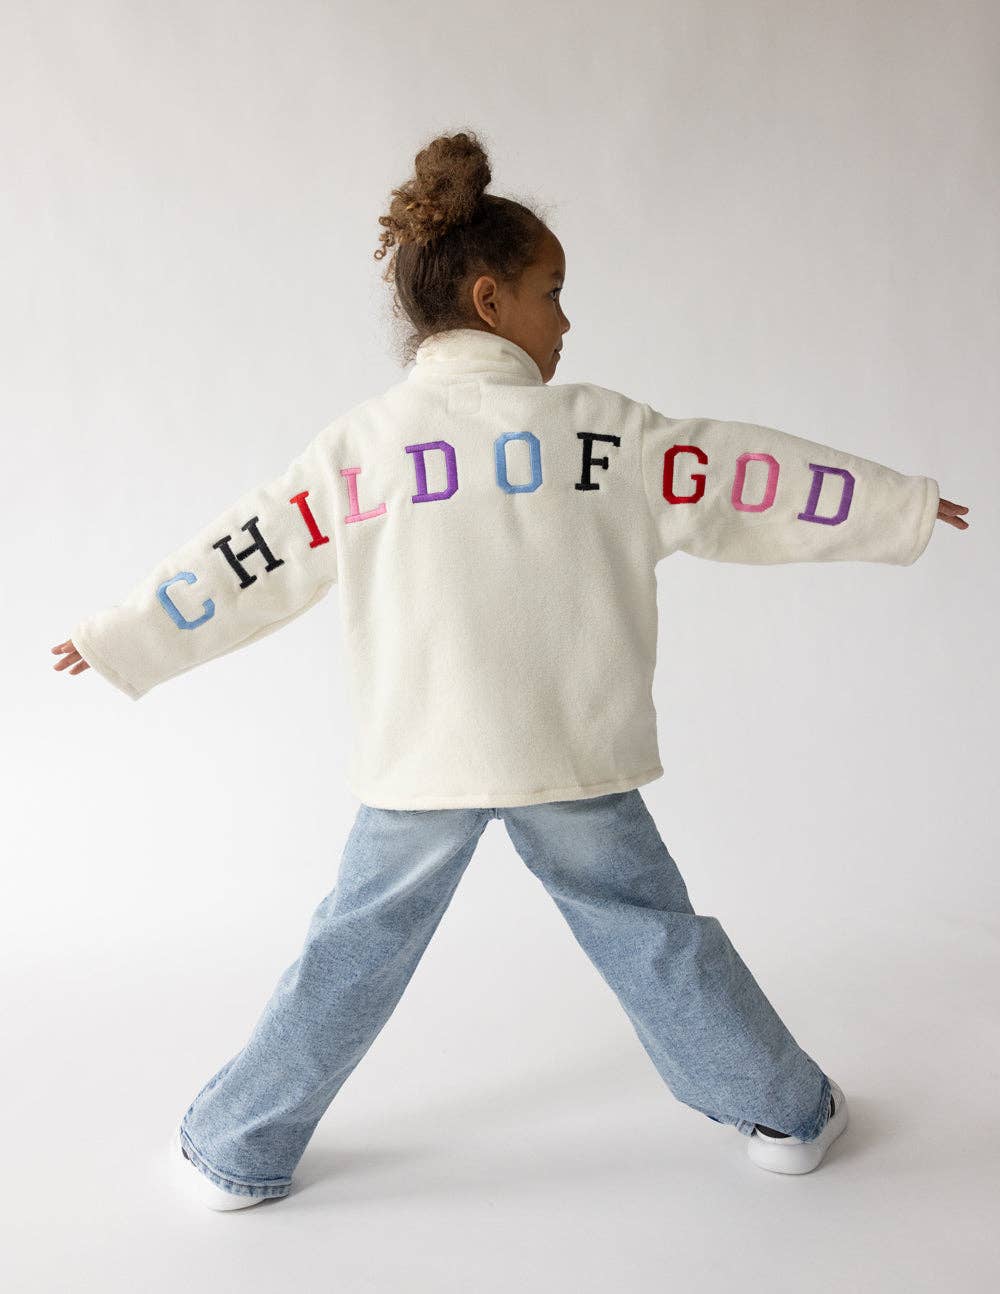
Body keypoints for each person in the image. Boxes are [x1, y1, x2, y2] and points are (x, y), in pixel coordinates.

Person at [52, 129, 970, 1209]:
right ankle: (785, 1112)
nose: (566, 320)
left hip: (422, 755)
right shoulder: (608, 435)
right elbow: (746, 477)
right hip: (571, 751)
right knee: (651, 935)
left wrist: (125, 636)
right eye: (552, 292)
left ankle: (235, 1150)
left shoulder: (362, 448)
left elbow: (245, 557)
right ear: (491, 301)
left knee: (352, 950)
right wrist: (895, 508)